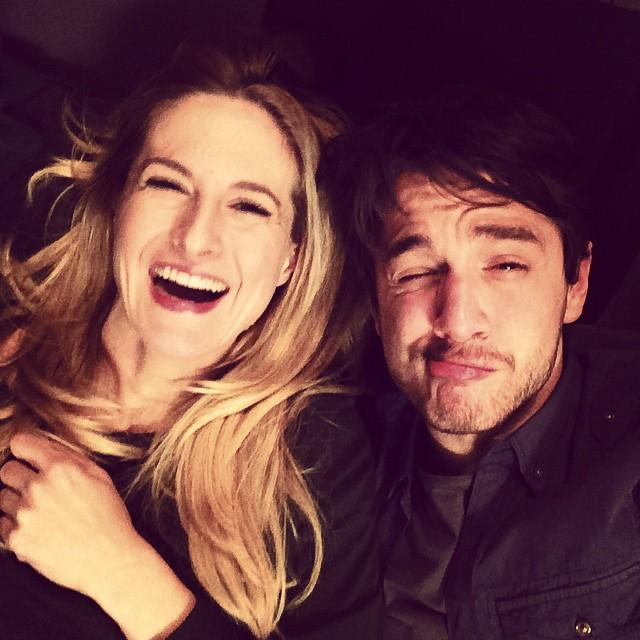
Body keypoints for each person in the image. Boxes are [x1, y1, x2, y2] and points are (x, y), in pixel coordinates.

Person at [0, 34, 381, 640]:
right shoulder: (14, 341)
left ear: (290, 259)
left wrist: (128, 579)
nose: (196, 238)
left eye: (250, 207)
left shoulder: (315, 457)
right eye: (167, 184)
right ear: (118, 201)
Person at [321, 87, 640, 639]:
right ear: (375, 302)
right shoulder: (327, 447)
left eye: (506, 265)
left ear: (576, 284)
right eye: (417, 272)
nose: (458, 320)